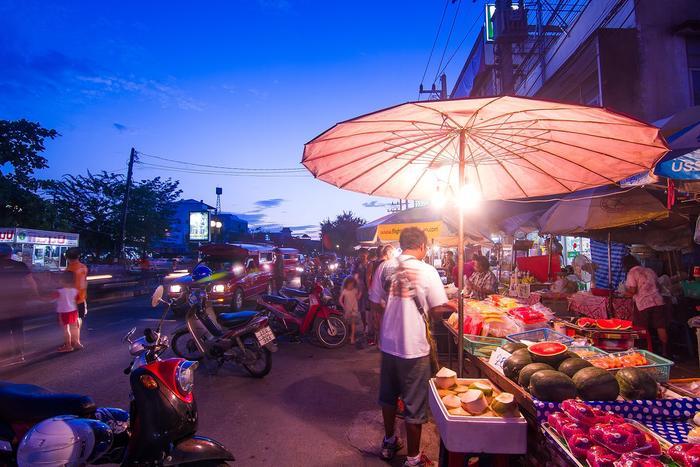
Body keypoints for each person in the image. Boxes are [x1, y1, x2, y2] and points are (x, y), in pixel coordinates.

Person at [369, 227, 454, 467]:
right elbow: (437, 311)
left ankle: (388, 442)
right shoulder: (427, 271)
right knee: (414, 404)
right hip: (414, 349)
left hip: (388, 345)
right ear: (423, 247)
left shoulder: (384, 267)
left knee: (388, 397)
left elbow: (374, 303)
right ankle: (413, 459)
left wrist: (391, 316)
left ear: (401, 244)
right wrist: (452, 307)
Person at [623, 254, 668, 356]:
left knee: (640, 328)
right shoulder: (649, 270)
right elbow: (659, 287)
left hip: (644, 304)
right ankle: (665, 352)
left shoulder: (632, 273)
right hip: (658, 302)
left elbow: (633, 291)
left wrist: (624, 293)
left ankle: (642, 351)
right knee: (661, 327)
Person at [0, 244, 37, 363]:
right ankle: (19, 354)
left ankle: (4, 355)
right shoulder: (20, 265)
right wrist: (35, 294)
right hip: (18, 303)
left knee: (3, 330)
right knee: (17, 329)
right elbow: (31, 282)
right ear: (10, 253)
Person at [55, 271, 82, 352]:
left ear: (62, 280)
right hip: (74, 311)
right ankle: (77, 343)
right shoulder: (75, 290)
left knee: (66, 329)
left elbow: (50, 298)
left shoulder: (59, 291)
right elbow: (78, 300)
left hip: (64, 312)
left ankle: (68, 345)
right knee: (74, 328)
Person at [65, 248, 88, 328]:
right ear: (78, 257)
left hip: (72, 299)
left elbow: (67, 285)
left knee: (71, 321)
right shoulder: (84, 267)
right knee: (79, 318)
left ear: (67, 258)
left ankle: (75, 338)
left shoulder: (70, 269)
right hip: (82, 297)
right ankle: (77, 337)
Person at [339, 276, 361, 345]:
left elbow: (357, 298)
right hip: (347, 310)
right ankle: (349, 336)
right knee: (348, 323)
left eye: (352, 285)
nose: (351, 286)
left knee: (353, 323)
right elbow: (340, 300)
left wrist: (360, 294)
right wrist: (344, 307)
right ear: (346, 284)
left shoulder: (354, 290)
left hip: (354, 309)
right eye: (349, 285)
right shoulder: (344, 291)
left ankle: (352, 337)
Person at [353, 248, 370, 333]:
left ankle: (370, 325)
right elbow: (354, 275)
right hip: (360, 290)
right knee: (362, 309)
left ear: (367, 255)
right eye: (361, 255)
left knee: (370, 309)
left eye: (364, 255)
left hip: (369, 289)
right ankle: (365, 325)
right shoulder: (356, 265)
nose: (362, 257)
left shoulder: (370, 264)